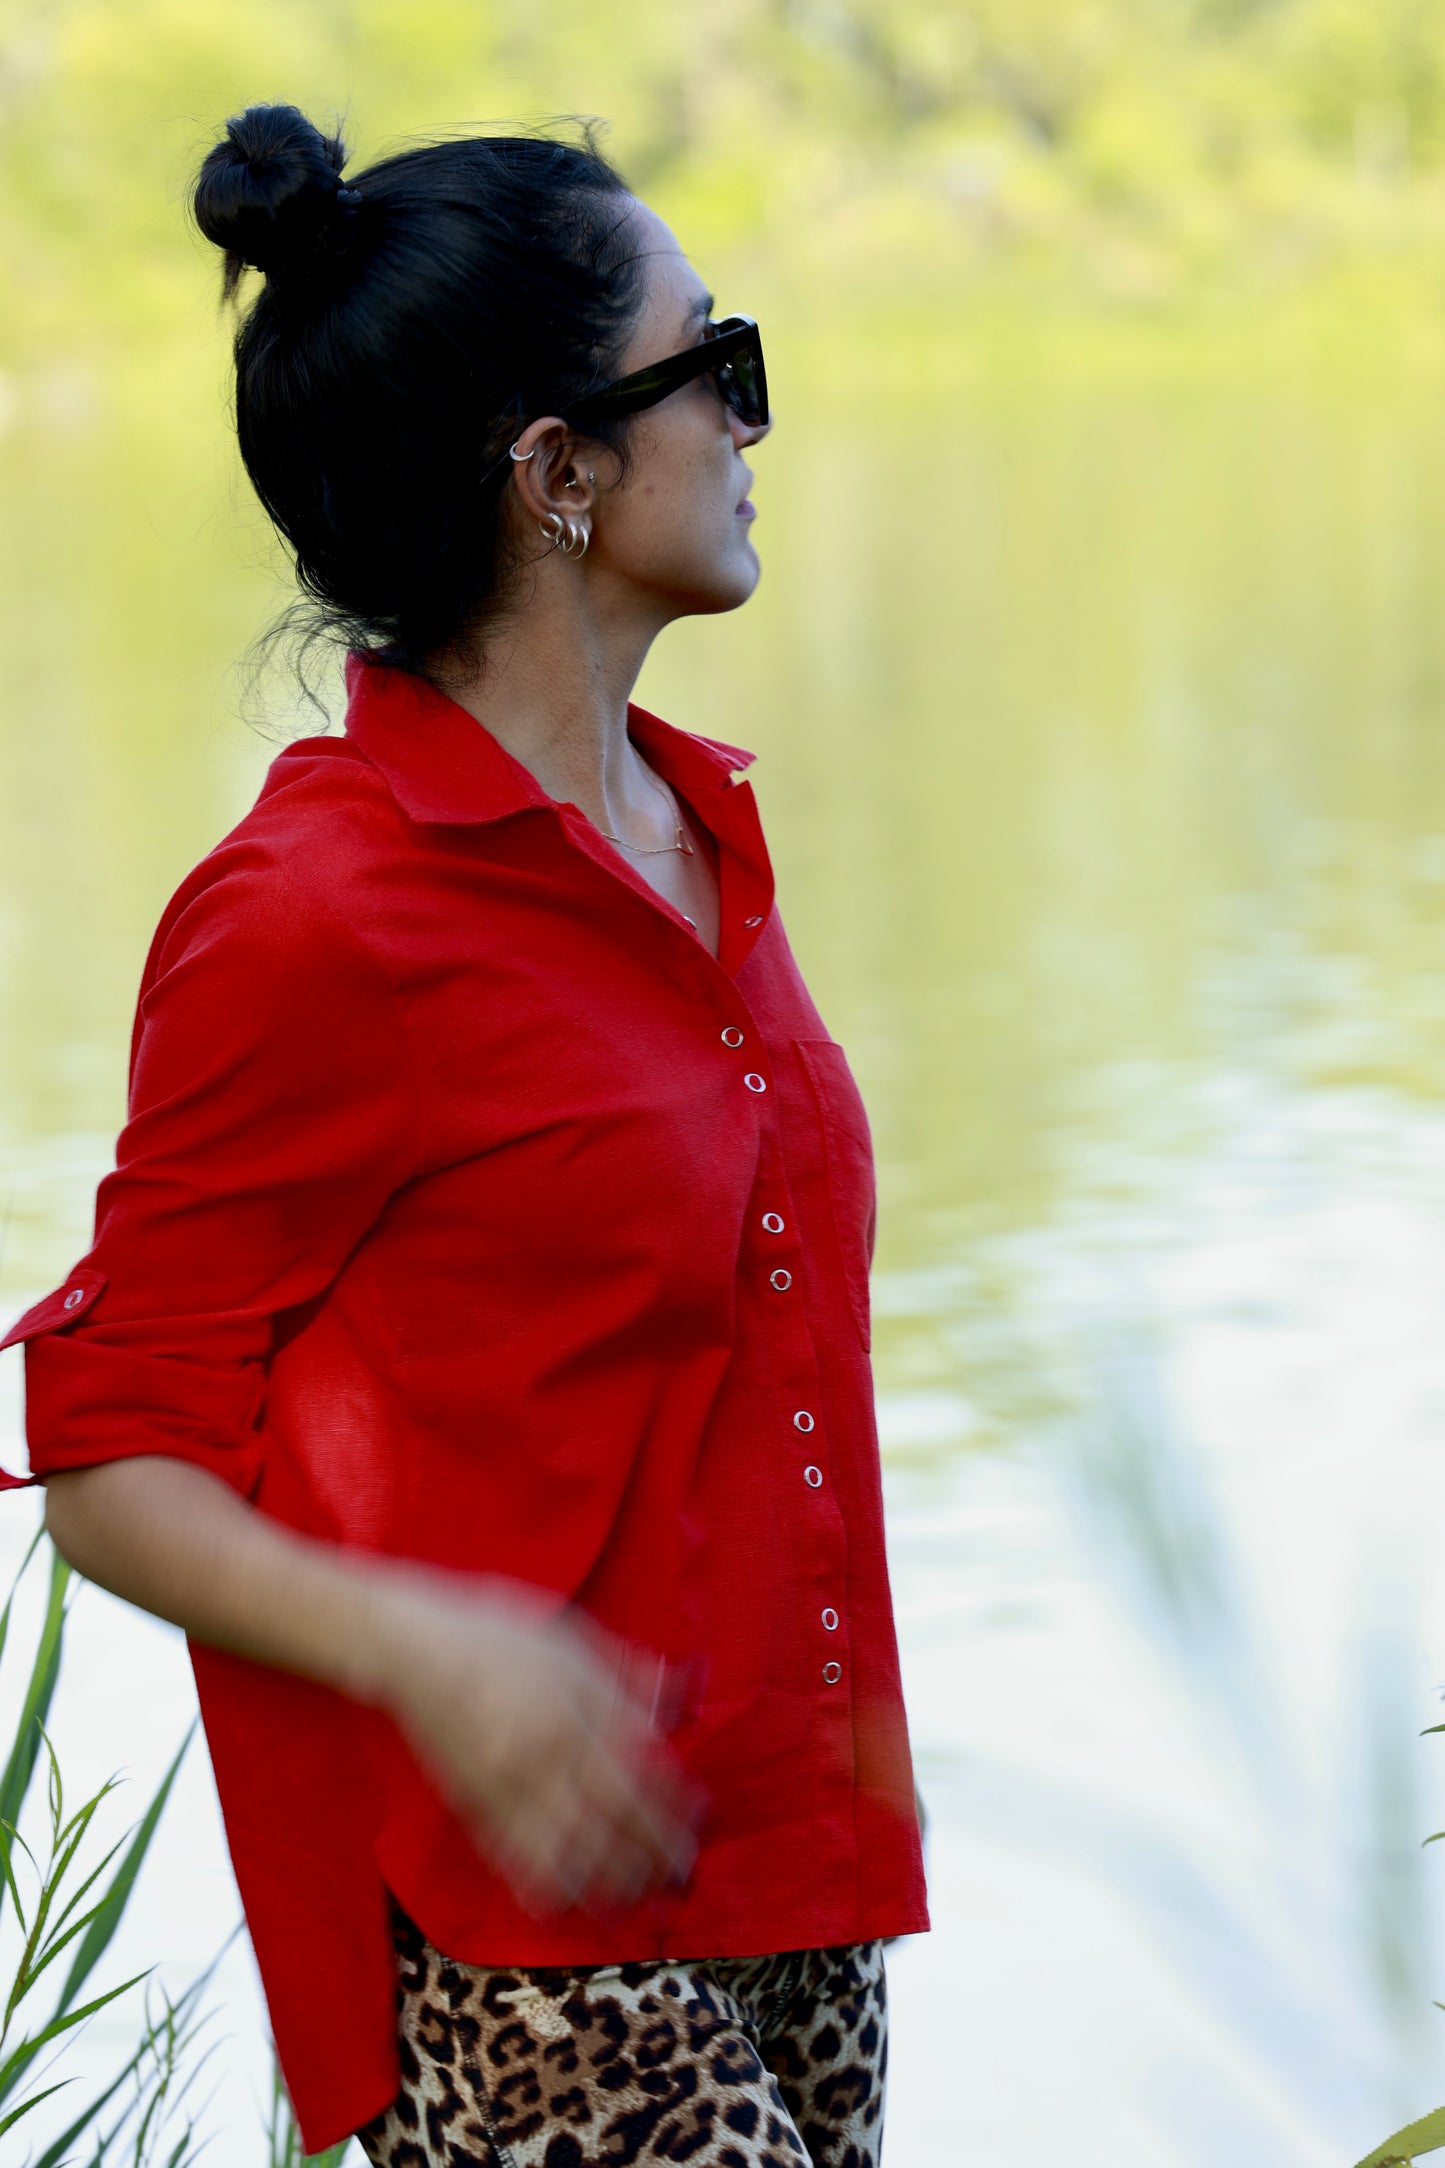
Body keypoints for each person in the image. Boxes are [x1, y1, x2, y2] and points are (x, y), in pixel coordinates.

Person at [1, 105, 927, 2165]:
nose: (756, 424)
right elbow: (108, 1449)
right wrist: (427, 1646)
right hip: (530, 1927)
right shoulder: (317, 912)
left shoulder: (701, 833)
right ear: (558, 468)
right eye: (721, 368)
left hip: (791, 1856)